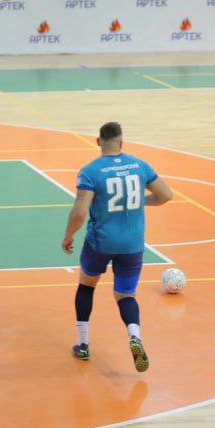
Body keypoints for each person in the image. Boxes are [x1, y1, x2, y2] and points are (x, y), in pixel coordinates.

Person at [62, 122, 173, 373]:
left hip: (100, 243)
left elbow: (79, 212)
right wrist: (139, 202)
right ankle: (134, 336)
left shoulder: (91, 171)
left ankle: (83, 345)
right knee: (126, 295)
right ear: (122, 142)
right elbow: (166, 195)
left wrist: (68, 236)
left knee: (86, 286)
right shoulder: (140, 166)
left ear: (98, 142)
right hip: (132, 245)